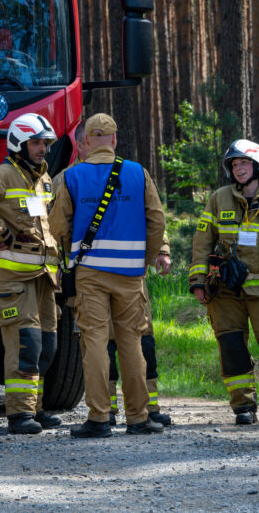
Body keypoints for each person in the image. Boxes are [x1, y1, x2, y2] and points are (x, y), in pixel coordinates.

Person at [48, 113, 171, 438]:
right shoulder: (137, 173)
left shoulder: (72, 177)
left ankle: (100, 418)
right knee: (132, 342)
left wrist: (67, 258)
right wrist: (144, 259)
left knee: (95, 343)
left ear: (86, 142)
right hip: (130, 274)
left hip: (89, 273)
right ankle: (139, 417)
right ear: (115, 140)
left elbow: (58, 226)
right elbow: (157, 221)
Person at [189, 140, 259, 426]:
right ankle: (243, 407)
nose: (239, 169)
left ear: (258, 166)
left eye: (244, 163)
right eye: (234, 165)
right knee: (232, 347)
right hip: (225, 292)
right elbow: (203, 241)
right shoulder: (219, 198)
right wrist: (198, 281)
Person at [0, 113, 62, 435]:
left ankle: (36, 408)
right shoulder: (3, 175)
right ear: (19, 144)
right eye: (36, 143)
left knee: (46, 345)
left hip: (44, 279)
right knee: (26, 344)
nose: (42, 149)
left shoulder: (44, 180)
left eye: (45, 143)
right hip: (14, 281)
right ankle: (19, 415)